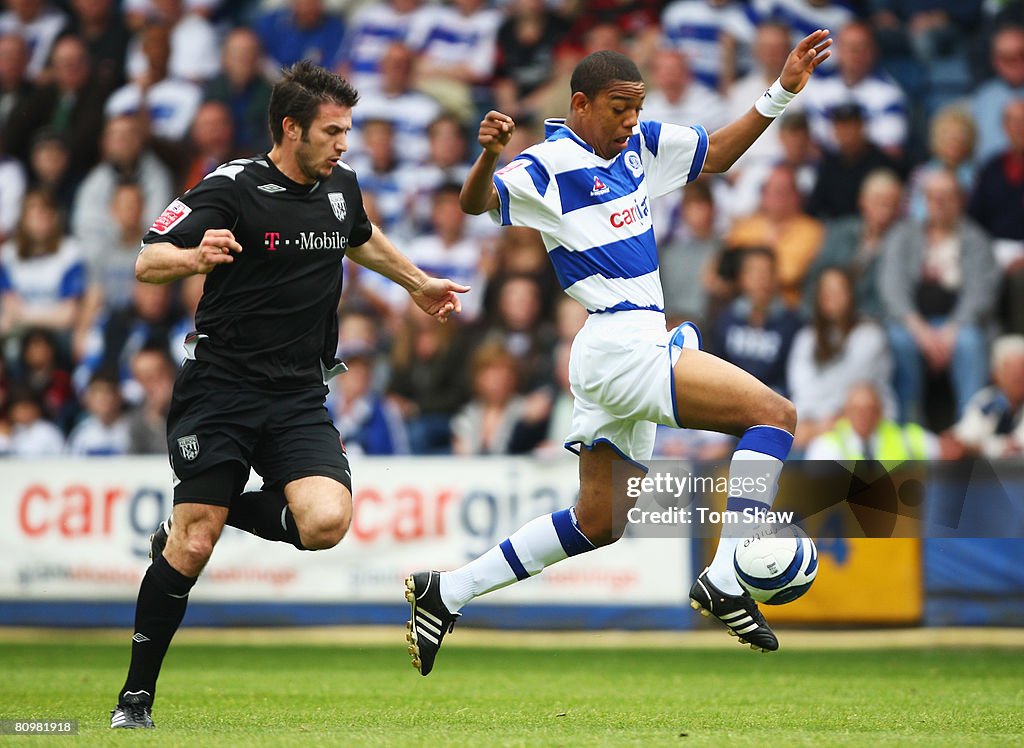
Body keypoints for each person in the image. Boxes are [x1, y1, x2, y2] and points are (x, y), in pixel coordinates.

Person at [406, 33, 833, 675]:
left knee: (598, 521)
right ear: (580, 103)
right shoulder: (546, 166)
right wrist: (487, 157)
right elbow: (475, 204)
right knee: (774, 416)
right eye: (619, 107)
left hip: (620, 348)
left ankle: (449, 592)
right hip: (618, 342)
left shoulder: (639, 146)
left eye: (637, 106)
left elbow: (714, 153)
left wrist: (781, 92)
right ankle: (723, 576)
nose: (631, 119)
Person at [109, 61, 468, 729]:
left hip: (298, 394)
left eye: (348, 131)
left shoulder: (341, 189)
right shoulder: (232, 188)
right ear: (290, 128)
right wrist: (193, 256)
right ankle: (135, 700)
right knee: (194, 548)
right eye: (332, 132)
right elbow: (147, 258)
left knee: (326, 521)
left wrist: (416, 282)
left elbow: (359, 237)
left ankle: (195, 516)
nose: (343, 144)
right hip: (221, 390)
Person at [804, 380, 936, 461]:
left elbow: (945, 450)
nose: (864, 416)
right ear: (846, 413)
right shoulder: (827, 444)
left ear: (880, 412)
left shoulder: (903, 436)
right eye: (857, 410)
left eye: (870, 409)